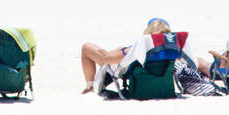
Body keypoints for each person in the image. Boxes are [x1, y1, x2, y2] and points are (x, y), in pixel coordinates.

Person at [81, 17, 209, 91]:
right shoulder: (175, 51)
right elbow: (195, 63)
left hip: (131, 73)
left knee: (87, 47)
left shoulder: (139, 47)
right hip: (162, 79)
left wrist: (123, 50)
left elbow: (108, 59)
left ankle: (90, 86)